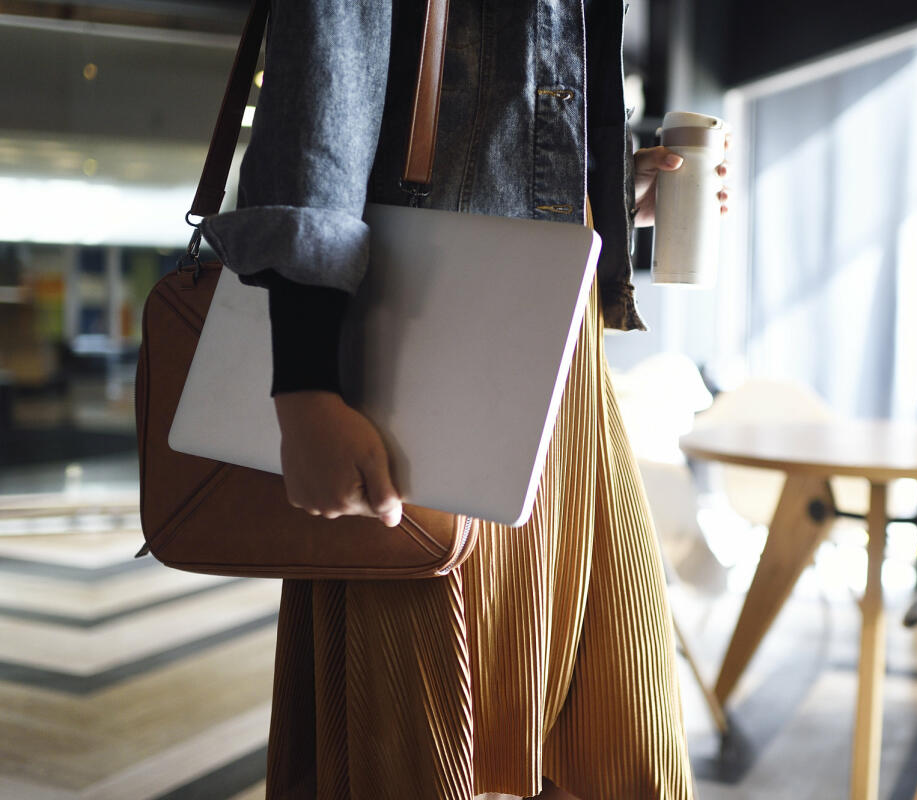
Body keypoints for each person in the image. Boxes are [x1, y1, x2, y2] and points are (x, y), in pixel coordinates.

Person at [198, 1, 728, 797]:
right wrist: (306, 378)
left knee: (622, 748)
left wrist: (608, 185)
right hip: (420, 336)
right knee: (412, 751)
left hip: (556, 341)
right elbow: (323, 83)